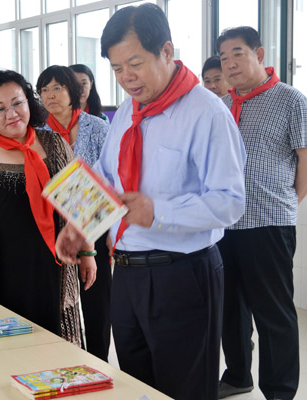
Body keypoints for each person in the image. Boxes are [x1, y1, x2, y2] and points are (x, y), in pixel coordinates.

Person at [55, 4, 246, 400]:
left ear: (167, 51)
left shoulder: (206, 113)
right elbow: (107, 177)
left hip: (182, 275)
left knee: (184, 390)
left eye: (135, 64)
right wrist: (80, 226)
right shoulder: (128, 111)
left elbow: (230, 202)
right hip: (126, 273)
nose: (127, 77)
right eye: (116, 69)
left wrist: (158, 212)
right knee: (137, 387)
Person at [0, 69, 97, 346]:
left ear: (29, 103)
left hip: (54, 266)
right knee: (12, 347)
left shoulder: (55, 144)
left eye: (17, 103)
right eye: (0, 109)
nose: (12, 114)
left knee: (58, 348)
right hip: (4, 270)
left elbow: (80, 202)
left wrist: (88, 251)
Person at [216, 26, 307, 400]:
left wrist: (285, 203)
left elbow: (305, 160)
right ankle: (238, 375)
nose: (230, 63)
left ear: (260, 54)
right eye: (224, 57)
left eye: (238, 53)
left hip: (268, 223)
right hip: (224, 224)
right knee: (230, 309)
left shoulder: (291, 100)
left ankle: (280, 391)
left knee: (273, 312)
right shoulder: (222, 106)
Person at [36, 65, 112, 361]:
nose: (50, 95)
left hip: (95, 225)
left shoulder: (98, 127)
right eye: (44, 90)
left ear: (73, 91)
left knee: (97, 301)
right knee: (61, 302)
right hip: (55, 228)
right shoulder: (38, 134)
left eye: (57, 88)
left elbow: (112, 178)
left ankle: (99, 361)